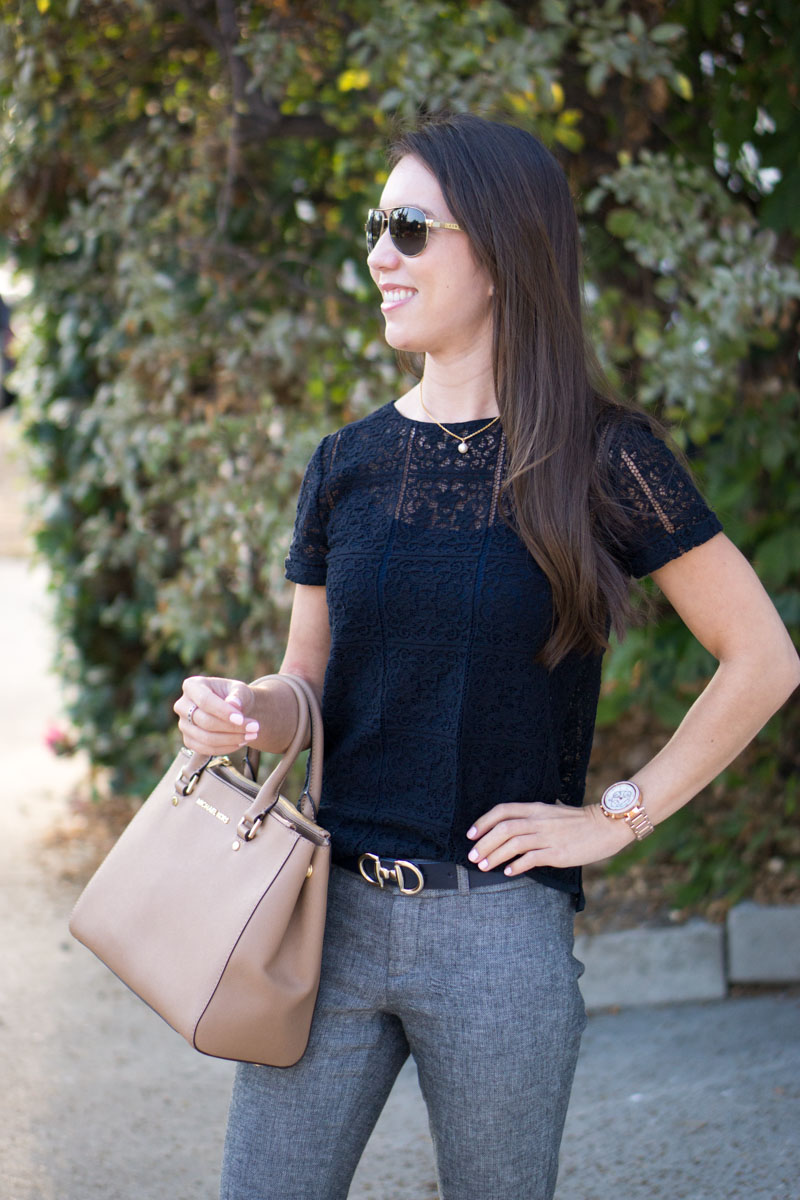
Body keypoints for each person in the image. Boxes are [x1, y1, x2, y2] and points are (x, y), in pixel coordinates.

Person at [174, 113, 799, 1200]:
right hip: (326, 922)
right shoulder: (347, 464)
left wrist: (615, 817)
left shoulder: (604, 457)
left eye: (409, 228)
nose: (378, 253)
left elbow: (760, 656)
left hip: (497, 937)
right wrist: (243, 709)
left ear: (503, 250)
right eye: (377, 227)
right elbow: (305, 684)